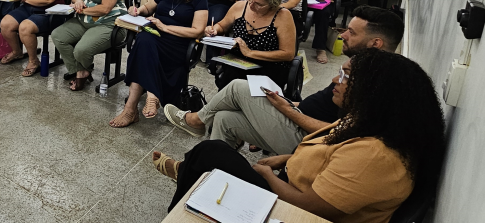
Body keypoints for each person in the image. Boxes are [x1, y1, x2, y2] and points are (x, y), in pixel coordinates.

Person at [156, 48, 445, 223]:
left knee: (211, 152)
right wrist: (282, 160)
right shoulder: (372, 123)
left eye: (345, 77)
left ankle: (190, 178)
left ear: (376, 93)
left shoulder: (376, 155)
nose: (335, 80)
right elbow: (326, 147)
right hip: (291, 178)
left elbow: (310, 208)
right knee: (224, 124)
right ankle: (193, 181)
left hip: (296, 211)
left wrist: (267, 175)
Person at [165, 6, 405, 156]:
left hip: (306, 138)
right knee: (224, 118)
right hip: (297, 116)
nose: (342, 35)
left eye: (352, 32)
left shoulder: (375, 82)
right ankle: (214, 171)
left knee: (239, 87)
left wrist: (288, 110)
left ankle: (195, 120)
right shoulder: (363, 68)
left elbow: (342, 132)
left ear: (376, 44)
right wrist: (292, 104)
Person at [110, 0, 208, 127]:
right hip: (155, 38)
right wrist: (136, 11)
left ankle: (132, 109)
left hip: (178, 43)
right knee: (144, 40)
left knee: (143, 46)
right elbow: (147, 9)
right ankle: (149, 97)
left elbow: (198, 31)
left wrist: (165, 27)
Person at [51, 0, 127, 91]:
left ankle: (82, 71)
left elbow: (105, 9)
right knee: (58, 35)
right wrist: (78, 1)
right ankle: (79, 70)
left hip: (108, 23)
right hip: (84, 20)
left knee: (81, 50)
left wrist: (82, 10)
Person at [205, 0, 296, 89]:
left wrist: (251, 53)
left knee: (251, 91)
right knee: (231, 83)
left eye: (259, 4)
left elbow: (288, 53)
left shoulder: (283, 15)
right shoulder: (240, 6)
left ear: (273, 4)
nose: (251, 5)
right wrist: (214, 29)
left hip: (268, 65)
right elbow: (222, 26)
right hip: (237, 61)